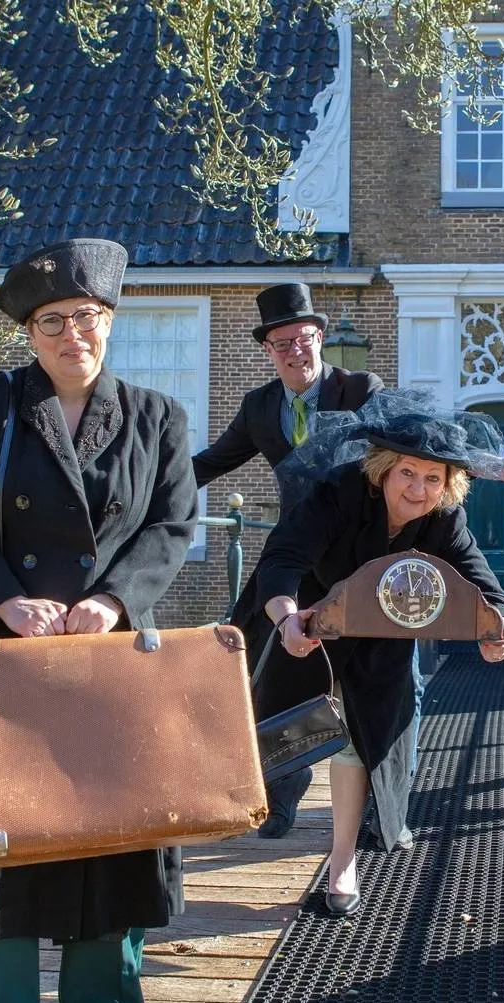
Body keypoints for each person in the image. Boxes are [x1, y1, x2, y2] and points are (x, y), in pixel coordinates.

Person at [0, 237, 199, 1003]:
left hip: (111, 667)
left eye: (90, 316)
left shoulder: (158, 417)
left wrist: (113, 600)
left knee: (111, 850)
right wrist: (2, 599)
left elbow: (172, 525)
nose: (75, 334)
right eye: (54, 322)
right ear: (29, 334)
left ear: (110, 321)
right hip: (5, 667)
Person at [247, 392, 504, 916]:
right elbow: (281, 558)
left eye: (433, 479)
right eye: (408, 474)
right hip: (310, 623)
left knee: (360, 741)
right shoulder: (337, 493)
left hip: (385, 642)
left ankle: (342, 858)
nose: (419, 490)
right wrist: (286, 618)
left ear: (448, 485)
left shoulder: (444, 520)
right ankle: (262, 806)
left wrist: (500, 627)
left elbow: (486, 585)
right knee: (287, 734)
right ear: (384, 471)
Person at [192, 282, 384, 839]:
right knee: (267, 662)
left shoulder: (359, 389)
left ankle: (377, 809)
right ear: (268, 350)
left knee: (378, 679)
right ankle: (280, 794)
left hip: (358, 554)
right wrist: (139, 482)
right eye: (282, 344)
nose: (295, 351)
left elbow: (408, 443)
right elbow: (210, 463)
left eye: (303, 339)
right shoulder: (260, 407)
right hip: (296, 553)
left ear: (319, 338)